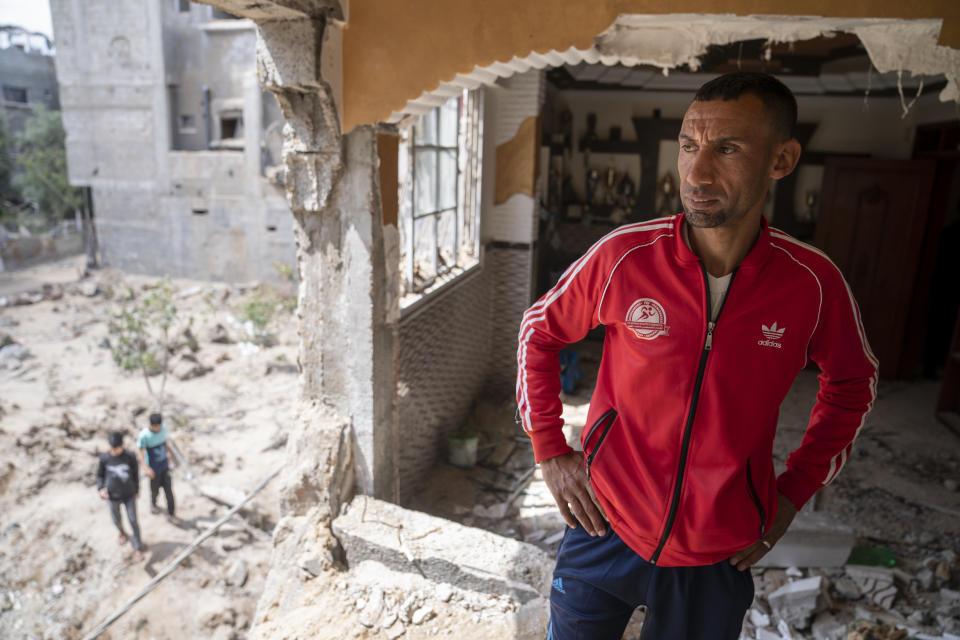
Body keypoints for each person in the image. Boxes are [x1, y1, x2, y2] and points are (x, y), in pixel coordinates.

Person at [516, 72, 878, 639]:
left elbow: (854, 383)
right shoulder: (624, 258)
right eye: (688, 145)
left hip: (719, 552)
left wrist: (793, 492)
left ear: (781, 160)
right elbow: (539, 332)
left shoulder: (812, 283)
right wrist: (549, 449)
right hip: (604, 524)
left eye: (726, 149)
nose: (696, 172)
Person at [97, 430, 143, 561]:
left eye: (117, 447)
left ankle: (138, 547)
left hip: (129, 494)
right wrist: (101, 489)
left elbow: (135, 474)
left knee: (133, 520)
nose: (115, 450)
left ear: (122, 445)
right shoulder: (104, 459)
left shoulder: (130, 456)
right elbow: (100, 475)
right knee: (116, 519)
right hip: (112, 496)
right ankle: (121, 532)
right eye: (113, 448)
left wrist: (137, 490)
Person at [137, 412, 180, 524]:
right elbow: (140, 452)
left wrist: (168, 453)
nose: (158, 428)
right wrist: (146, 468)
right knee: (154, 490)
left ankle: (171, 514)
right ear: (151, 425)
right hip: (153, 469)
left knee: (169, 492)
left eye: (159, 426)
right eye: (155, 426)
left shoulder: (163, 429)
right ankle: (153, 504)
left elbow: (164, 441)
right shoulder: (144, 436)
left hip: (164, 466)